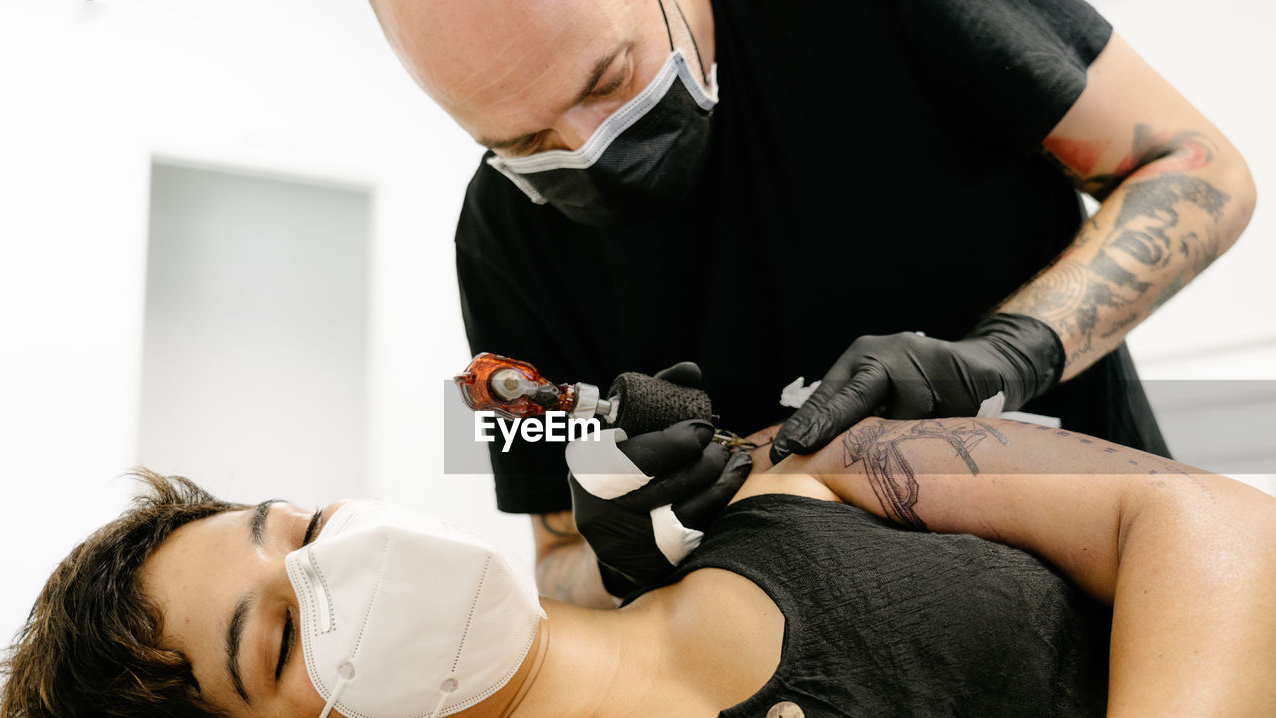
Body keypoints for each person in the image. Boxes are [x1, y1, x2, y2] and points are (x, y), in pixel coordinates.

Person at [0, 417, 1276, 718]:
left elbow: (1210, 520)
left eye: (306, 526)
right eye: (279, 639)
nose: (345, 563)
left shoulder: (810, 472)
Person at [367, 0, 1255, 604]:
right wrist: (619, 552)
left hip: (1132, 594)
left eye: (607, 81)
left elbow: (1202, 168)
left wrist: (1007, 355)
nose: (589, 150)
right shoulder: (494, 243)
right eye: (523, 141)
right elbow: (555, 557)